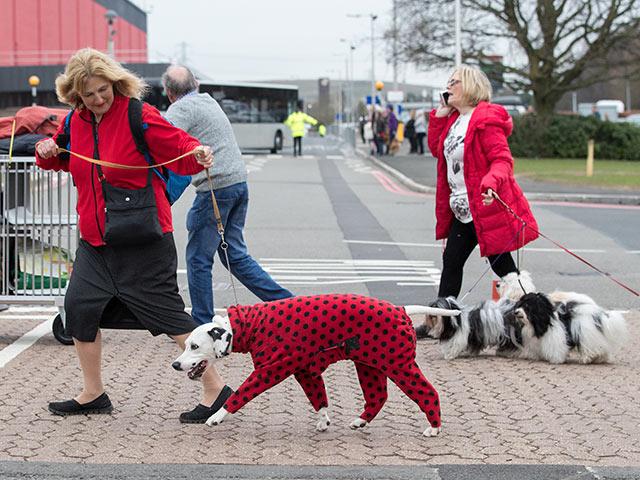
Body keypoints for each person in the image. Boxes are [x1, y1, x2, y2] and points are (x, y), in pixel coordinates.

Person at [35, 48, 231, 423]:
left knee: (169, 315)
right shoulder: (74, 122)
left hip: (143, 235)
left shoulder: (138, 113)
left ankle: (215, 388)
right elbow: (61, 156)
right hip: (96, 239)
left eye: (103, 89)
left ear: (115, 82)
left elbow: (179, 147)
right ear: (76, 96)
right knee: (78, 307)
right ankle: (93, 393)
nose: (98, 99)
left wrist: (199, 153)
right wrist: (45, 151)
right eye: (89, 94)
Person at [161, 65, 293, 327]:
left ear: (167, 93)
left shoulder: (179, 110)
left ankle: (202, 322)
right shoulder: (208, 101)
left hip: (215, 189)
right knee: (235, 256)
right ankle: (290, 307)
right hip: (238, 184)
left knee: (198, 259)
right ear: (196, 83)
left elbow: (160, 140)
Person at [416, 65, 539, 337]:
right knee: (451, 263)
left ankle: (538, 318)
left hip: (484, 209)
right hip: (461, 210)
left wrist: (491, 181)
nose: (448, 87)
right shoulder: (454, 120)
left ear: (470, 86)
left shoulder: (484, 119)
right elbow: (438, 150)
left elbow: (502, 159)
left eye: (454, 82)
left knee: (504, 268)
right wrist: (440, 115)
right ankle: (440, 322)